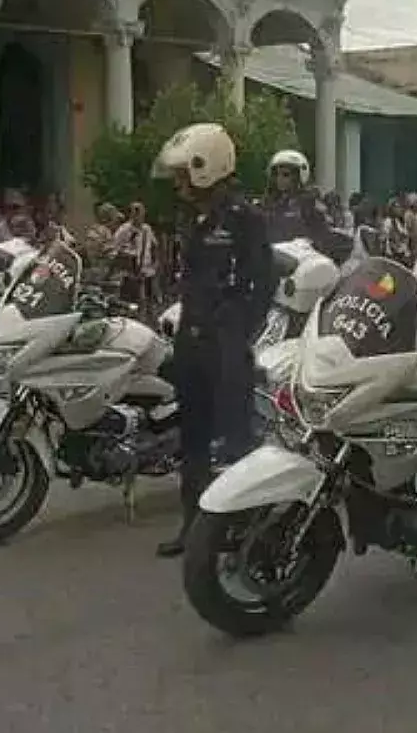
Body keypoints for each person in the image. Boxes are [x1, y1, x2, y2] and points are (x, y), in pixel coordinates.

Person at [150, 122, 275, 558]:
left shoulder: (246, 219)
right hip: (193, 341)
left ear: (208, 167)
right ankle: (194, 527)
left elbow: (264, 282)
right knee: (194, 442)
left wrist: (238, 329)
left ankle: (246, 529)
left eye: (186, 172)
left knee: (236, 441)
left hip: (225, 347)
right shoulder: (194, 220)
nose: (179, 182)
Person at [261, 149, 333, 244]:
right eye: (276, 174)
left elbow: (323, 237)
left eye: (285, 175)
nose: (280, 179)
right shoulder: (268, 204)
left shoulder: (310, 205)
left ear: (298, 176)